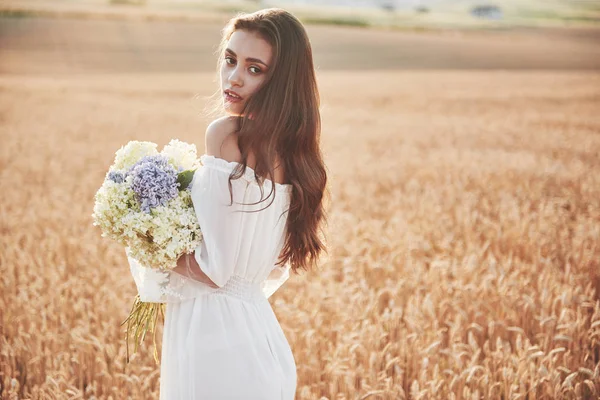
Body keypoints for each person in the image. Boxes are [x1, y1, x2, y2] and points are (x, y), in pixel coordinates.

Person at [154, 8, 327, 399]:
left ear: (280, 81)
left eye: (255, 69)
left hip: (215, 342)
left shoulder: (226, 134)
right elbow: (267, 270)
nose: (233, 77)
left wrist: (147, 242)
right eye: (230, 60)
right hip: (258, 339)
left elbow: (214, 271)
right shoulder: (295, 157)